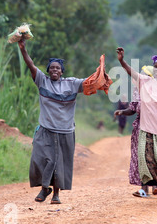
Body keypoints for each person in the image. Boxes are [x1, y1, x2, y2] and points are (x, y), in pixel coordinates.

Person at [18, 38, 112, 204]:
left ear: (62, 72)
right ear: (48, 71)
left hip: (65, 131)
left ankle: (55, 194)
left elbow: (90, 84)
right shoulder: (42, 81)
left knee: (59, 163)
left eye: (57, 68)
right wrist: (23, 49)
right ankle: (44, 187)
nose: (54, 70)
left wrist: (101, 74)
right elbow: (30, 65)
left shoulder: (72, 83)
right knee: (40, 158)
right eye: (52, 68)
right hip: (45, 130)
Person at [117, 47, 157, 200]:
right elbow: (132, 72)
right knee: (146, 160)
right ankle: (144, 189)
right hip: (146, 128)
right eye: (155, 67)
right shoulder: (145, 81)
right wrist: (122, 61)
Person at [113, 66, 157, 196]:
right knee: (141, 156)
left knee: (155, 156)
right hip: (141, 126)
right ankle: (144, 189)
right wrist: (122, 112)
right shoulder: (137, 90)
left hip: (156, 127)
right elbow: (133, 109)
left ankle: (156, 185)